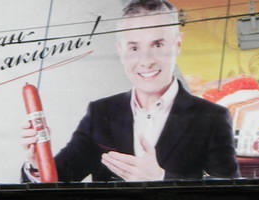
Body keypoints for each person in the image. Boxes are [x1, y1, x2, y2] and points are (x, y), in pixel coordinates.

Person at [20, 0, 239, 183]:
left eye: (158, 44)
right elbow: (60, 181)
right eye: (134, 48)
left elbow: (231, 197)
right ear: (120, 51)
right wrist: (38, 165)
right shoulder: (101, 113)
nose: (146, 61)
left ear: (177, 44)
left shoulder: (212, 118)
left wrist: (162, 179)